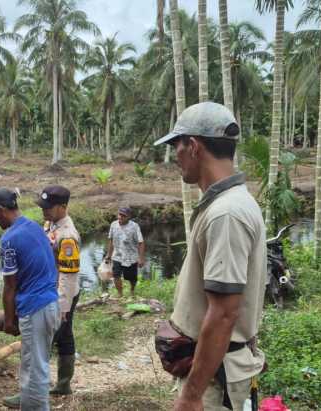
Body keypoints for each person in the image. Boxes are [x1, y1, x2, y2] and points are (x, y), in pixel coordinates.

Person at [155, 102, 267, 411]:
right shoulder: (229, 204)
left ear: (193, 146)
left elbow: (224, 314)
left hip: (214, 380)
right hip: (213, 370)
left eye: (176, 146)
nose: (174, 156)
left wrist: (192, 395)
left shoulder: (226, 214)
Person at [0, 188, 60, 411]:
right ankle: (28, 401)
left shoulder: (9, 239)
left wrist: (9, 321)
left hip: (35, 308)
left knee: (35, 368)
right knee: (32, 362)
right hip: (49, 303)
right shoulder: (33, 226)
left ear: (0, 210)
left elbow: (9, 286)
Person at [36, 185, 81, 397]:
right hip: (51, 288)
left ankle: (36, 387)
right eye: (43, 206)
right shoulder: (51, 224)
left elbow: (68, 275)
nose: (44, 210)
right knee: (64, 335)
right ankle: (63, 384)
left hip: (61, 291)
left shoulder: (68, 235)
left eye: (49, 207)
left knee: (45, 337)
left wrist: (63, 305)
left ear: (63, 207)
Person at [105, 207, 146, 299]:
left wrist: (141, 258)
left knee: (132, 278)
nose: (121, 217)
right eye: (119, 215)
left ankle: (132, 290)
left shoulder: (134, 226)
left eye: (124, 216)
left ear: (129, 217)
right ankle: (120, 294)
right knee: (116, 275)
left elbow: (141, 242)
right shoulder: (113, 225)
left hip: (130, 256)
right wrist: (109, 254)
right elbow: (111, 240)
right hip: (117, 255)